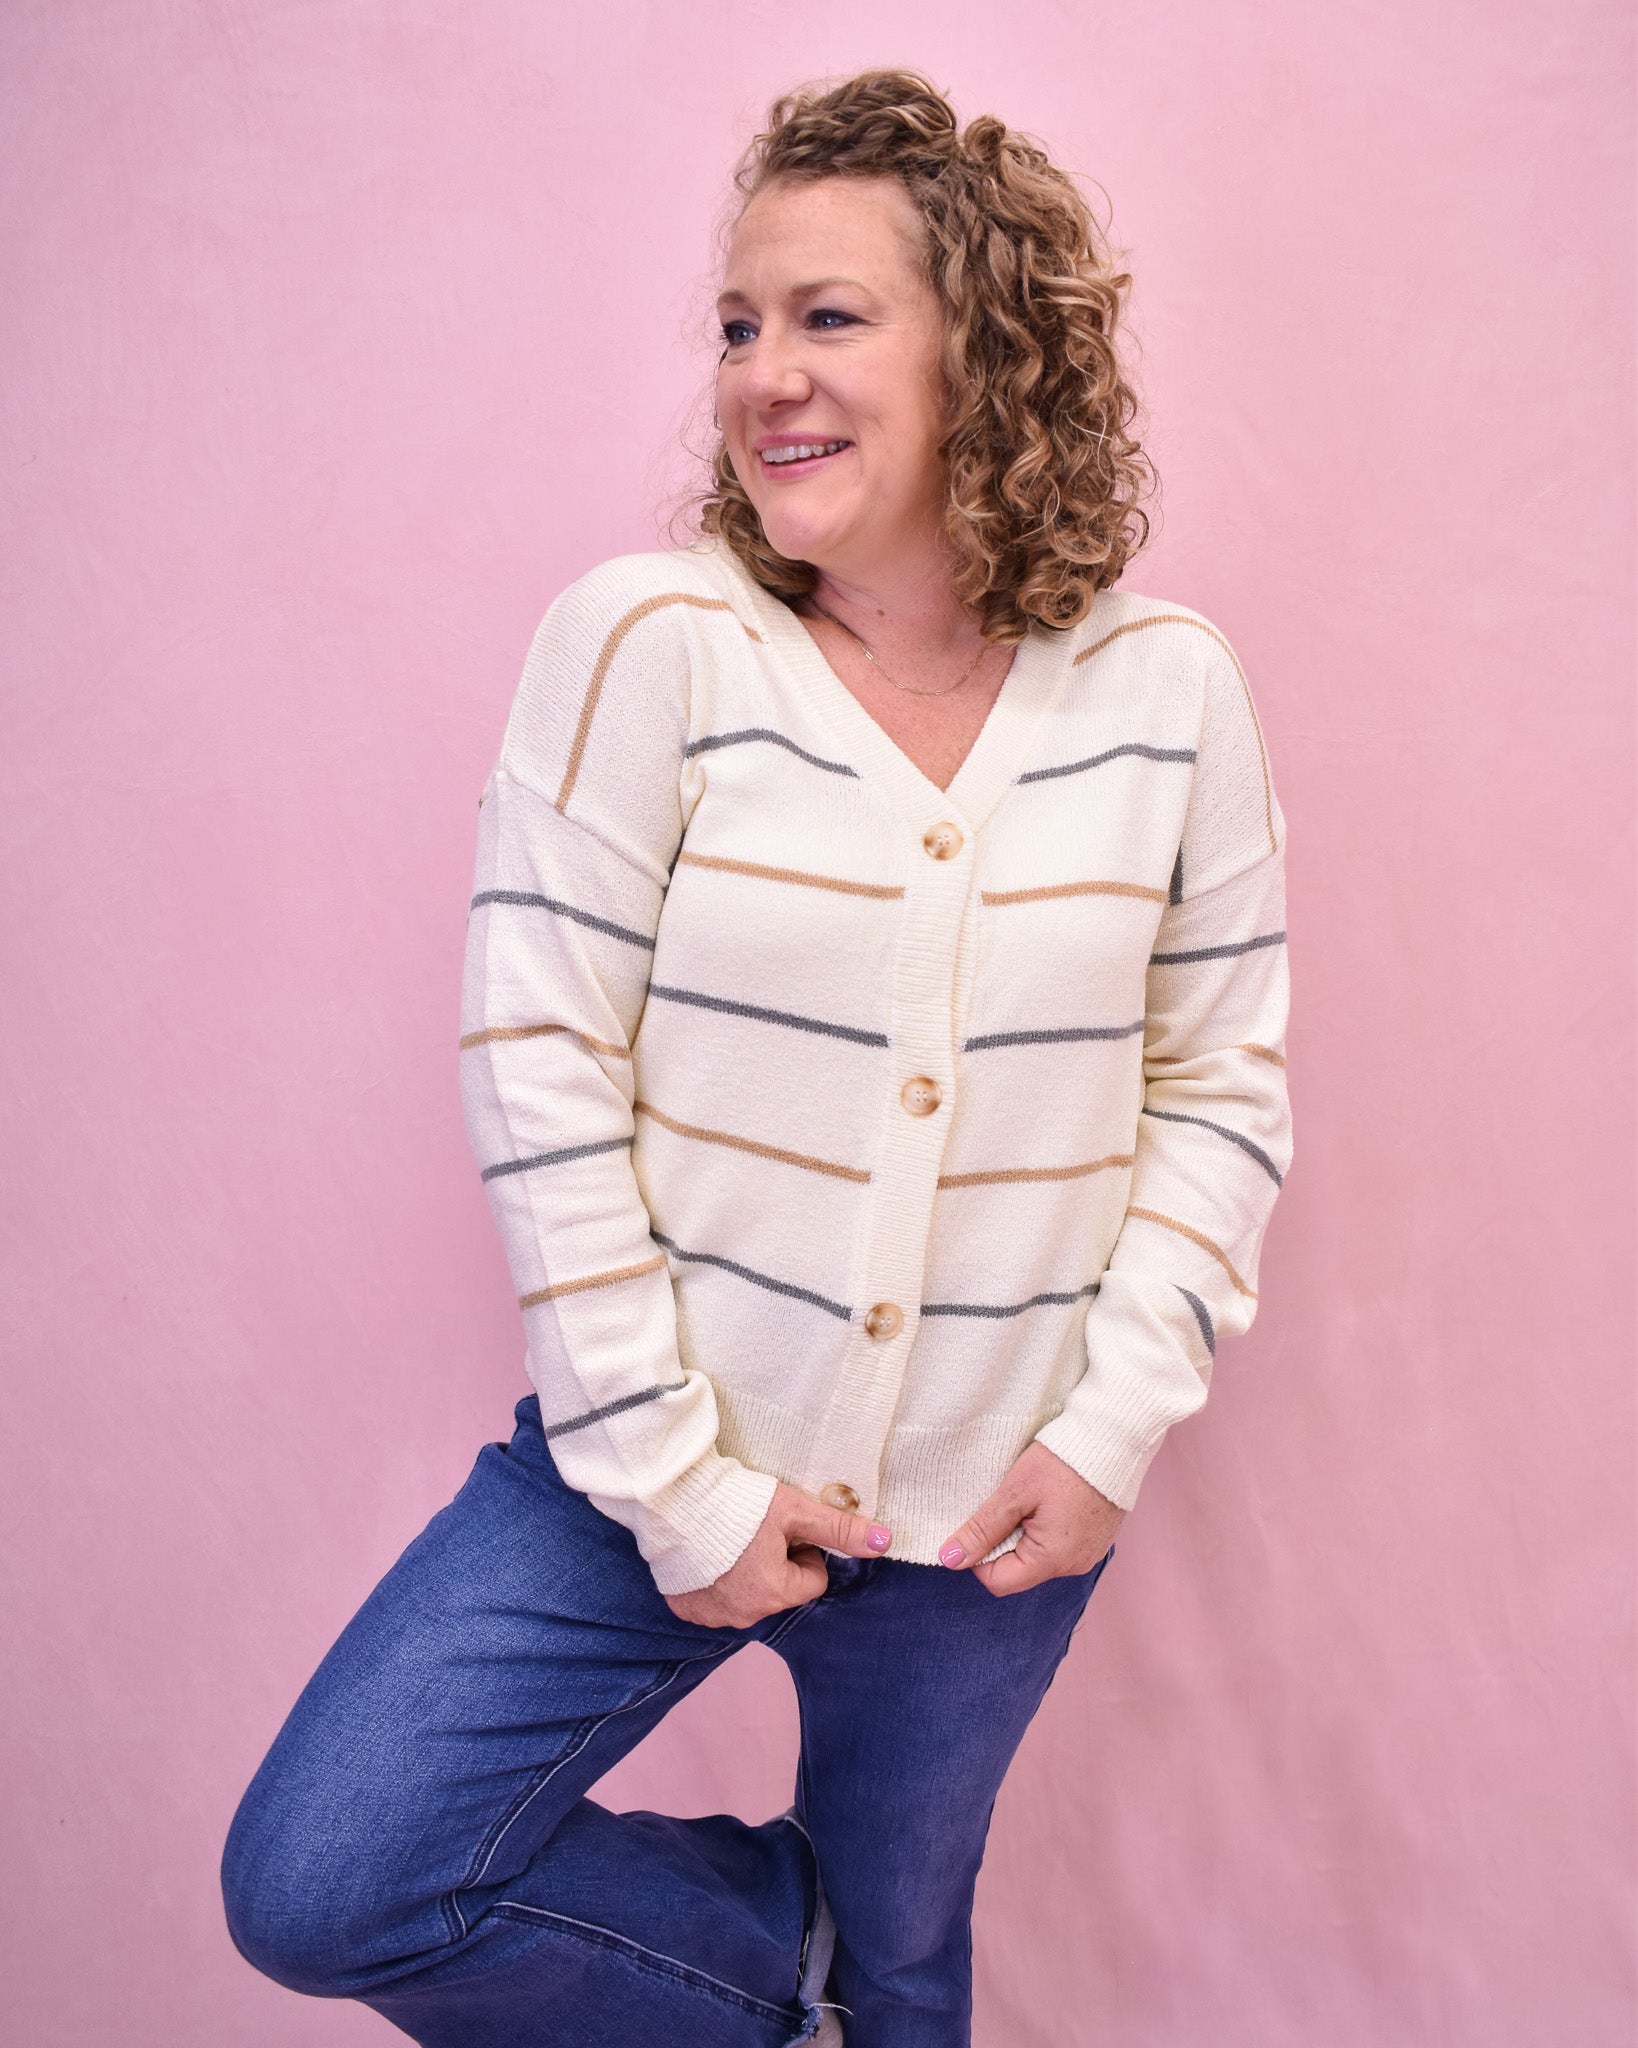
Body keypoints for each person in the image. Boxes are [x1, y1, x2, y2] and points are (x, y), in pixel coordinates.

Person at [221, 68, 1292, 2048]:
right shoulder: (653, 646)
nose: (758, 375)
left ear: (991, 346)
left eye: (826, 315)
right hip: (648, 1462)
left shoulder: (1168, 695)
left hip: (992, 1518)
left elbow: (1220, 1081)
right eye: (736, 322)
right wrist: (679, 1485)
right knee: (329, 1874)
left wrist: (1112, 1422)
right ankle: (781, 1946)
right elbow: (538, 1064)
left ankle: (858, 1958)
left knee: (917, 1978)